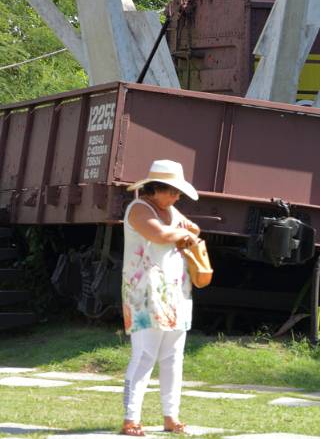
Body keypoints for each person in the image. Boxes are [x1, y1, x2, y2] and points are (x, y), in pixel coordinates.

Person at [120, 160, 201, 437]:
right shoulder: (139, 209)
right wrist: (184, 233)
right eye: (174, 192)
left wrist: (185, 231)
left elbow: (194, 230)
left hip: (175, 292)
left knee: (173, 357)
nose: (178, 197)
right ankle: (131, 419)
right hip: (145, 294)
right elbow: (159, 234)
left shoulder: (170, 209)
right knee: (144, 355)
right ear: (157, 189)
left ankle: (171, 416)